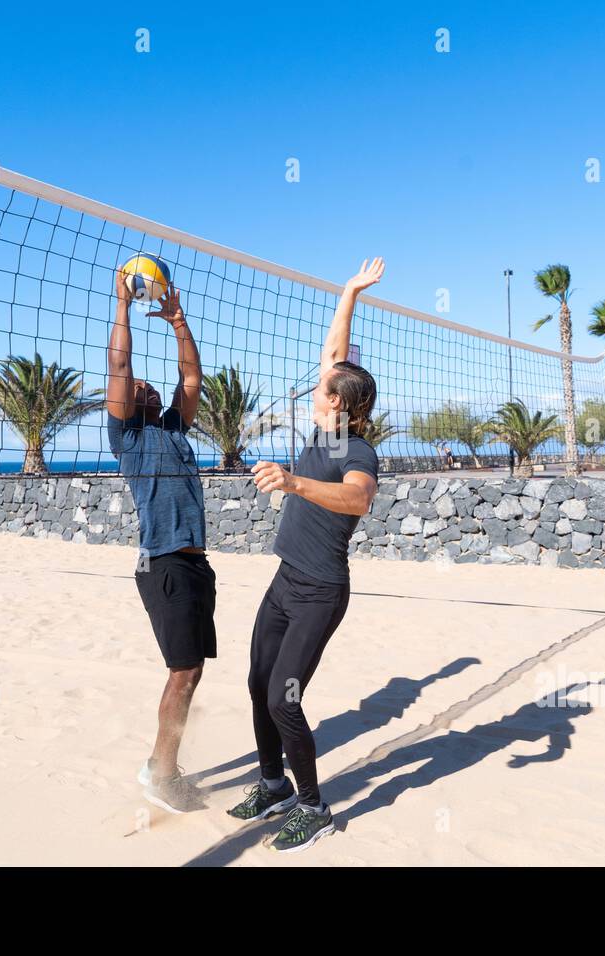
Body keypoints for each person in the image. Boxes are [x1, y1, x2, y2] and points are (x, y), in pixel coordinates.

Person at [227, 257, 385, 852]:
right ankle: (273, 785)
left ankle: (314, 805)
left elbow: (358, 500)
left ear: (339, 406)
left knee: (282, 697)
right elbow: (335, 355)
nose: (314, 387)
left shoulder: (357, 450)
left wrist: (293, 484)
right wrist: (348, 291)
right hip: (285, 580)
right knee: (256, 682)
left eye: (322, 390)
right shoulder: (324, 428)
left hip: (322, 591)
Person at [107, 271, 213, 814]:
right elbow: (120, 367)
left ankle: (163, 765)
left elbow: (192, 379)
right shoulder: (126, 437)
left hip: (195, 564)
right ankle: (160, 773)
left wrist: (177, 322)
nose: (142, 385)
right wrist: (123, 304)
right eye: (137, 388)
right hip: (163, 563)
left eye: (150, 385)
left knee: (193, 670)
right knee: (183, 670)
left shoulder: (174, 428)